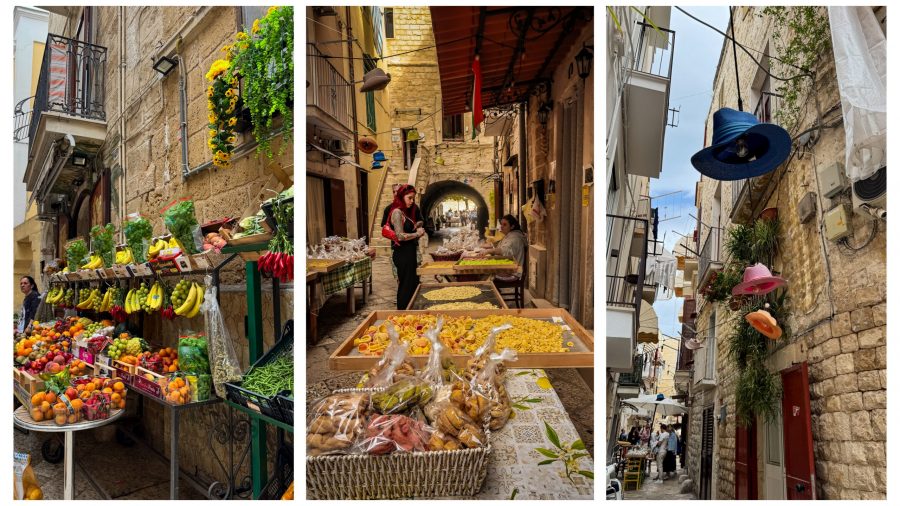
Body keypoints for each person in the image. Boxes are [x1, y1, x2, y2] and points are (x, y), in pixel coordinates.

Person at [387, 184, 425, 310]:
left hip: (409, 252)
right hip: (402, 254)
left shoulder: (404, 212)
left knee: (412, 284)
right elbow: (400, 236)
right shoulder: (397, 212)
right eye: (409, 198)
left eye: (413, 198)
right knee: (405, 286)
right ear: (401, 197)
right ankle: (402, 312)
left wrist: (416, 228)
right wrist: (417, 234)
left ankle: (411, 311)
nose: (412, 201)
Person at [465, 215, 527, 279]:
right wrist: (483, 247)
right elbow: (498, 246)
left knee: (482, 272)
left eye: (505, 225)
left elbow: (504, 251)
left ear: (512, 226)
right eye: (501, 224)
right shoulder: (509, 235)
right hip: (507, 267)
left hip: (511, 272)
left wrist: (489, 251)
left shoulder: (515, 238)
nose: (501, 226)